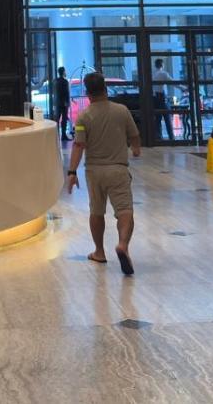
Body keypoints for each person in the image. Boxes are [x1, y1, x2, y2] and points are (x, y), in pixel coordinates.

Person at [65, 72, 141, 275]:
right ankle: (123, 244)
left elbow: (79, 145)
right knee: (124, 211)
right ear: (106, 89)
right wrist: (136, 149)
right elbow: (134, 135)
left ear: (87, 93)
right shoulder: (122, 111)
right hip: (118, 169)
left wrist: (72, 172)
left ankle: (99, 251)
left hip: (94, 171)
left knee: (96, 212)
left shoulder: (83, 116)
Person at [151, 58, 175, 141]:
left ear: (155, 65)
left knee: (157, 119)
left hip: (154, 98)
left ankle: (159, 138)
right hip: (161, 97)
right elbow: (173, 82)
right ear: (162, 65)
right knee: (167, 118)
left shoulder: (152, 74)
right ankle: (171, 138)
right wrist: (183, 88)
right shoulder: (163, 74)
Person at [53, 67, 71, 141]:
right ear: (63, 72)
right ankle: (63, 135)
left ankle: (56, 135)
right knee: (64, 120)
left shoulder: (55, 81)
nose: (66, 73)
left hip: (57, 103)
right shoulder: (65, 81)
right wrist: (68, 102)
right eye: (65, 71)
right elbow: (66, 93)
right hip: (63, 103)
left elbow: (54, 92)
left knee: (56, 120)